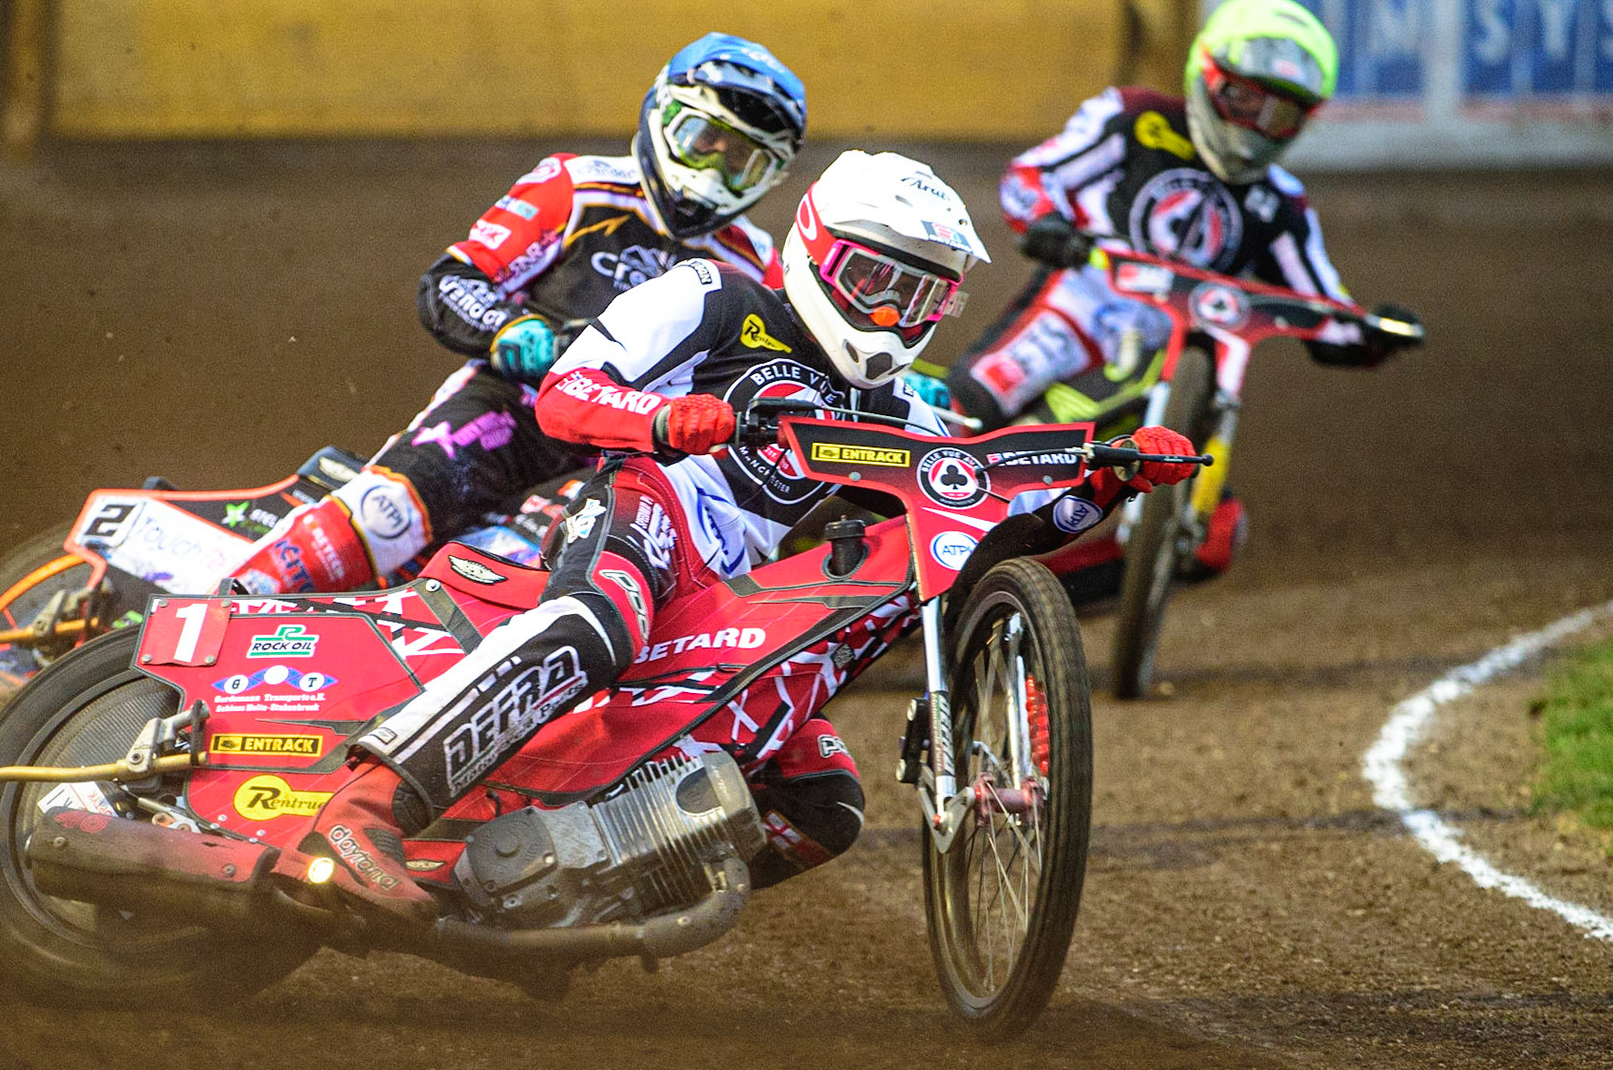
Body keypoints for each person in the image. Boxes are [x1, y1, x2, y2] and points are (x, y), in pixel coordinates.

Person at [296, 151, 1196, 921]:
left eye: (918, 298)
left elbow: (979, 527)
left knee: (825, 803)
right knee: (597, 621)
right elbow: (569, 392)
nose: (888, 315)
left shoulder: (900, 408)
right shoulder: (716, 295)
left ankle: (559, 894)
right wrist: (663, 420)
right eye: (874, 280)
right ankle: (366, 805)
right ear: (814, 249)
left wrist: (1106, 484)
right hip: (647, 508)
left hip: (735, 597)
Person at [229, 34, 808, 596]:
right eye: (703, 139)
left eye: (743, 162)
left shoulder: (757, 263)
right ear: (661, 115)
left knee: (549, 574)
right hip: (518, 404)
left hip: (631, 444)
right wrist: (509, 327)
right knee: (386, 511)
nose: (713, 171)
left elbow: (783, 372)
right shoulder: (577, 187)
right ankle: (221, 605)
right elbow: (452, 281)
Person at [944, 0, 1409, 578]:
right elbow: (1031, 177)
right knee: (969, 412)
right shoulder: (1134, 118)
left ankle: (1005, 599)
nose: (1257, 126)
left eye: (1280, 114)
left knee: (1213, 536)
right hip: (1079, 307)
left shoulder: (1282, 205)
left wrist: (1373, 331)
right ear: (1207, 77)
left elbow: (1326, 309)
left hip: (1169, 364)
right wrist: (1046, 223)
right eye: (1245, 99)